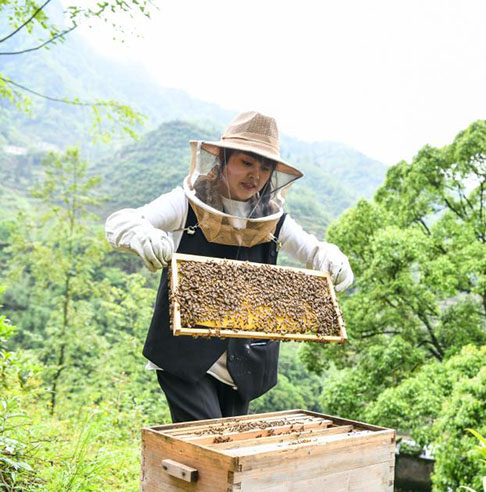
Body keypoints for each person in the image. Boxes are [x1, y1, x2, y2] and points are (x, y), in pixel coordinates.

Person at [105, 111, 354, 423]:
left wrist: (333, 259)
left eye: (265, 167)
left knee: (225, 460)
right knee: (212, 445)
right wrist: (141, 235)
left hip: (244, 368)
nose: (255, 175)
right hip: (185, 359)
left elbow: (313, 251)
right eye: (246, 163)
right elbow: (121, 221)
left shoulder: (273, 219)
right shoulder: (186, 204)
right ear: (222, 160)